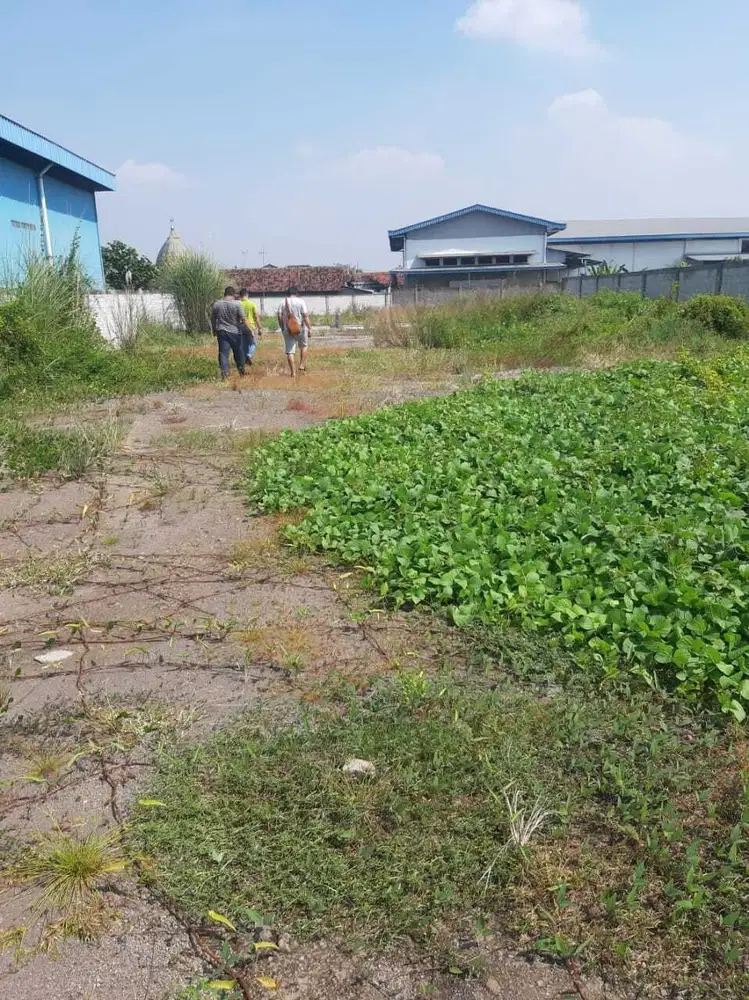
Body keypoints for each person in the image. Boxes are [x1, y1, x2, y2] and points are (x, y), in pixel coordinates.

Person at [211, 286, 252, 379]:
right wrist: (250, 331)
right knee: (238, 353)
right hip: (235, 332)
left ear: (224, 294)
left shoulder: (217, 304)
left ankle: (225, 374)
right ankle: (241, 372)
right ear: (233, 295)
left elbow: (213, 319)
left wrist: (214, 330)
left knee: (223, 353)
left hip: (221, 331)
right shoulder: (237, 304)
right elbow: (244, 319)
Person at [277, 286, 311, 377]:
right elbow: (305, 315)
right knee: (303, 346)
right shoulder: (301, 301)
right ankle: (301, 365)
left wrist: (282, 326)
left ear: (287, 294)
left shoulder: (282, 302)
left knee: (290, 351)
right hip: (300, 328)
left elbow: (279, 316)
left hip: (287, 328)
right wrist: (309, 327)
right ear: (296, 293)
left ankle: (293, 372)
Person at [238, 289, 262, 365]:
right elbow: (257, 317)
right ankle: (249, 355)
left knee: (244, 344)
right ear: (247, 295)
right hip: (250, 326)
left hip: (240, 327)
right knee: (253, 344)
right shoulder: (252, 304)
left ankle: (245, 361)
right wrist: (260, 328)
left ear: (240, 295)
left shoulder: (238, 304)